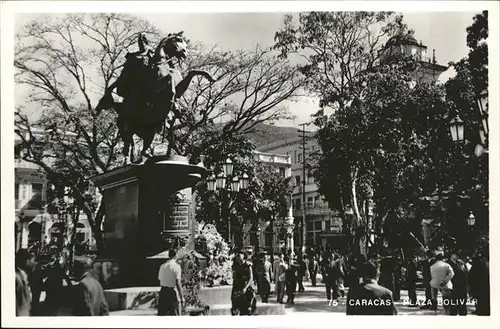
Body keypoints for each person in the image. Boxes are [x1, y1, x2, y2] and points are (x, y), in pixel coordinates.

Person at [158, 249, 184, 316]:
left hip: (163, 292)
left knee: (163, 314)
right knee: (175, 313)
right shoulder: (177, 266)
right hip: (172, 292)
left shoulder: (162, 266)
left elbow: (160, 279)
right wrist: (181, 297)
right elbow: (178, 282)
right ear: (176, 256)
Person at [231, 249, 256, 315]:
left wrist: (245, 288)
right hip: (238, 286)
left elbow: (251, 278)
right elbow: (235, 278)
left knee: (249, 300)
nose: (239, 256)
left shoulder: (248, 265)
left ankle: (249, 308)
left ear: (244, 256)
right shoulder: (236, 266)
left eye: (240, 254)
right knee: (235, 303)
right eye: (237, 255)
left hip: (247, 286)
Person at [447, 249, 468, 315]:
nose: (457, 256)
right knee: (453, 309)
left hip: (462, 289)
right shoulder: (447, 264)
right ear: (452, 255)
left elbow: (464, 274)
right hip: (453, 289)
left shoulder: (460, 263)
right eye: (456, 254)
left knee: (463, 308)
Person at [15, 249, 33, 316]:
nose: (29, 262)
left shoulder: (23, 274)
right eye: (28, 259)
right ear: (24, 261)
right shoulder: (16, 277)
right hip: (20, 314)